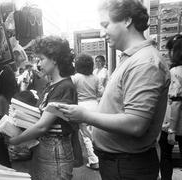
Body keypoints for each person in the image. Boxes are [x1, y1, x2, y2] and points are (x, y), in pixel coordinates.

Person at [57, 0, 170, 179]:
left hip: (127, 166)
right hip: (120, 163)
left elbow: (135, 124)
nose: (103, 33)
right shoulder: (131, 59)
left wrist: (85, 116)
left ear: (126, 20)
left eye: (106, 25)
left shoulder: (144, 63)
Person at [9, 36, 81, 180]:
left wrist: (16, 140)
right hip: (46, 150)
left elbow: (42, 126)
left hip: (55, 152)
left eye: (41, 59)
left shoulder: (64, 87)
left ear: (54, 59)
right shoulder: (52, 86)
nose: (39, 64)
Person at [159, 34, 182, 180]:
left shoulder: (175, 72)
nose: (168, 54)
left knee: (166, 157)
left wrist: (172, 130)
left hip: (172, 124)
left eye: (170, 50)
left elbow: (176, 102)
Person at [71, 53, 100, 170]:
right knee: (96, 133)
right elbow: (100, 92)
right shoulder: (95, 77)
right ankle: (100, 157)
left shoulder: (75, 78)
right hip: (95, 105)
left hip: (82, 106)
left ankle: (94, 161)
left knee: (85, 135)